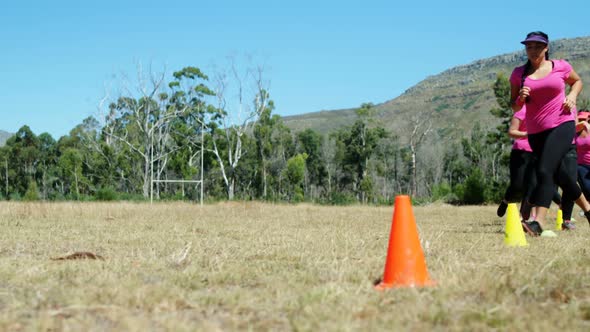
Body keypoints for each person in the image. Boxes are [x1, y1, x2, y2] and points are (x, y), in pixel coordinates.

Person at [510, 31, 590, 236]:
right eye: (529, 47)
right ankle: (589, 210)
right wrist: (520, 97)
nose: (533, 50)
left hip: (562, 124)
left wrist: (572, 95)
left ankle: (538, 222)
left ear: (546, 47)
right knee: (562, 176)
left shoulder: (560, 66)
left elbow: (577, 81)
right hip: (537, 131)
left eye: (537, 46)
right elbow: (514, 105)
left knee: (544, 170)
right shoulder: (519, 74)